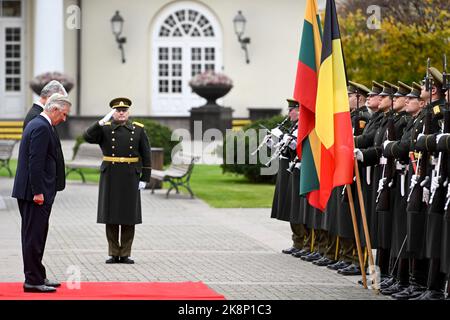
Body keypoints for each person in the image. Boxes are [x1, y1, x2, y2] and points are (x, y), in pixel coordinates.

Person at [12, 93, 72, 293]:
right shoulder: (41, 126)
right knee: (33, 237)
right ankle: (32, 280)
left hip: (36, 192)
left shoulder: (43, 125)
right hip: (34, 194)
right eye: (63, 114)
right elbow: (34, 162)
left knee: (37, 235)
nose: (64, 119)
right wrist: (38, 191)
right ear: (54, 109)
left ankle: (38, 274)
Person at [83, 97, 152, 264]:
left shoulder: (138, 130)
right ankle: (114, 252)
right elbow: (87, 136)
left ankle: (125, 253)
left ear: (128, 112)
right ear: (113, 112)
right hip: (111, 175)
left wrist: (145, 178)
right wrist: (100, 122)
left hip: (130, 176)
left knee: (129, 216)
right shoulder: (105, 129)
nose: (121, 113)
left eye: (124, 110)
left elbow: (146, 154)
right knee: (111, 215)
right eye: (118, 110)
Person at [23, 80, 68, 192]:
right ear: (49, 97)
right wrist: (38, 191)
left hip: (45, 184)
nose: (62, 106)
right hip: (40, 188)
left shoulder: (43, 115)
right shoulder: (37, 117)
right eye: (60, 100)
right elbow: (36, 159)